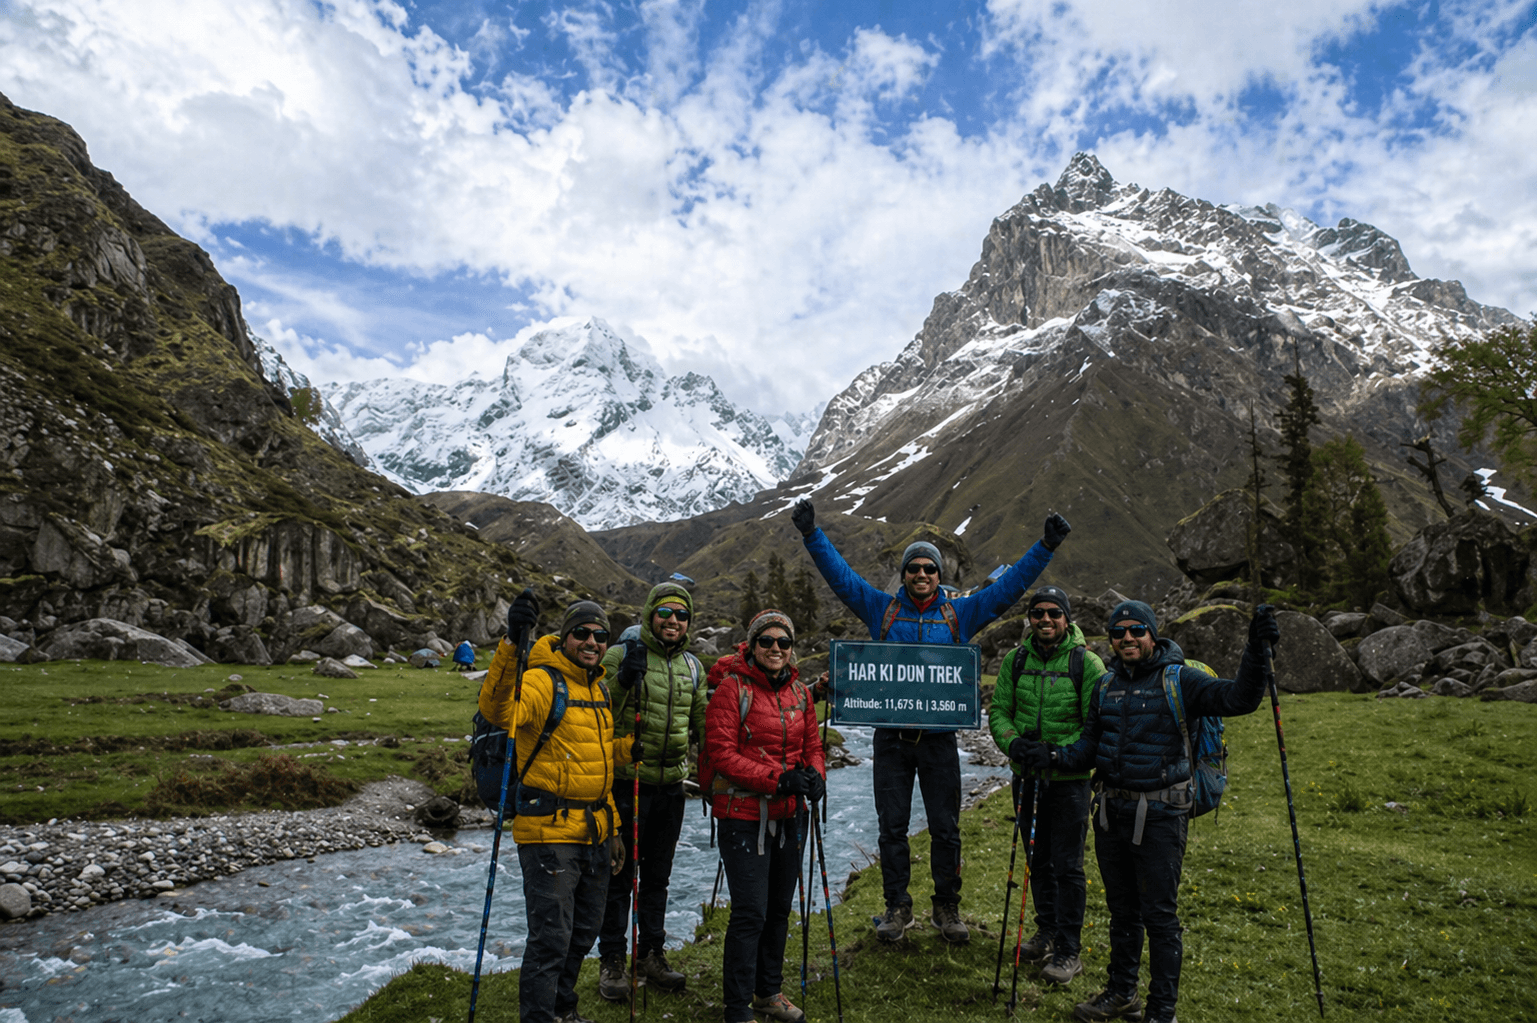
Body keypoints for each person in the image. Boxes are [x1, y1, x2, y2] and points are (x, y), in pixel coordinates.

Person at [791, 498, 1070, 944]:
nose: (922, 575)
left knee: (945, 827)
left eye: (930, 569)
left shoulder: (959, 613)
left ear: (941, 576)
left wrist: (1046, 547)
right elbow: (840, 577)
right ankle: (897, 908)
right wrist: (812, 535)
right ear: (903, 574)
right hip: (891, 740)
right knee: (892, 827)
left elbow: (1009, 588)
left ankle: (947, 907)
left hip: (940, 741)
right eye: (914, 568)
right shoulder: (880, 608)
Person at [1016, 600, 1280, 1023]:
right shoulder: (1105, 686)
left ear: (1152, 634)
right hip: (1110, 814)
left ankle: (1161, 1011)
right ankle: (1122, 993)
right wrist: (1048, 754)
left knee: (1159, 915)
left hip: (1160, 816)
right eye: (1118, 633)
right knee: (1122, 913)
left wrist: (1256, 647)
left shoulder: (1181, 680)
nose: (1127, 639)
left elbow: (1239, 698)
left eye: (1136, 631)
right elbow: (1088, 749)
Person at [477, 597, 639, 1023]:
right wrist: (513, 642)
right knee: (551, 936)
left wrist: (616, 826)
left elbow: (596, 762)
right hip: (549, 833)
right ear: (565, 637)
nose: (591, 641)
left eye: (600, 635)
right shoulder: (542, 681)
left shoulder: (598, 686)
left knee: (584, 932)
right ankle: (539, 1017)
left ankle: (563, 1012)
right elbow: (499, 709)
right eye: (582, 633)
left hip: (596, 830)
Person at [702, 610, 825, 1023]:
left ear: (792, 649)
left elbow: (813, 747)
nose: (775, 649)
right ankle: (736, 1008)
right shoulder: (730, 690)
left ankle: (768, 993)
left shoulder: (800, 694)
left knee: (778, 909)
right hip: (743, 817)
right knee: (750, 911)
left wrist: (816, 778)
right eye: (767, 642)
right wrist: (778, 780)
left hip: (791, 815)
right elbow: (722, 755)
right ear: (752, 645)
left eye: (783, 643)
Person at [595, 582, 707, 1000]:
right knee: (619, 876)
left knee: (658, 877)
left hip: (671, 786)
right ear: (649, 615)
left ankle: (650, 954)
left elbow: (702, 727)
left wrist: (714, 780)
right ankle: (611, 962)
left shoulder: (694, 667)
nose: (673, 621)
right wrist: (624, 679)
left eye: (681, 615)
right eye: (665, 613)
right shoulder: (619, 655)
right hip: (627, 783)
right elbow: (599, 714)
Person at [989, 586, 1105, 986]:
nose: (1045, 620)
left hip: (1070, 784)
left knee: (1068, 866)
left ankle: (1069, 950)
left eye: (1054, 613)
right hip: (1027, 779)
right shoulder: (1014, 660)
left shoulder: (1086, 664)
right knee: (1037, 859)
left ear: (1066, 618)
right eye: (1038, 613)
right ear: (1030, 619)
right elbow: (1000, 711)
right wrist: (1015, 743)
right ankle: (1047, 931)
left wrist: (1058, 755)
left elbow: (1095, 728)